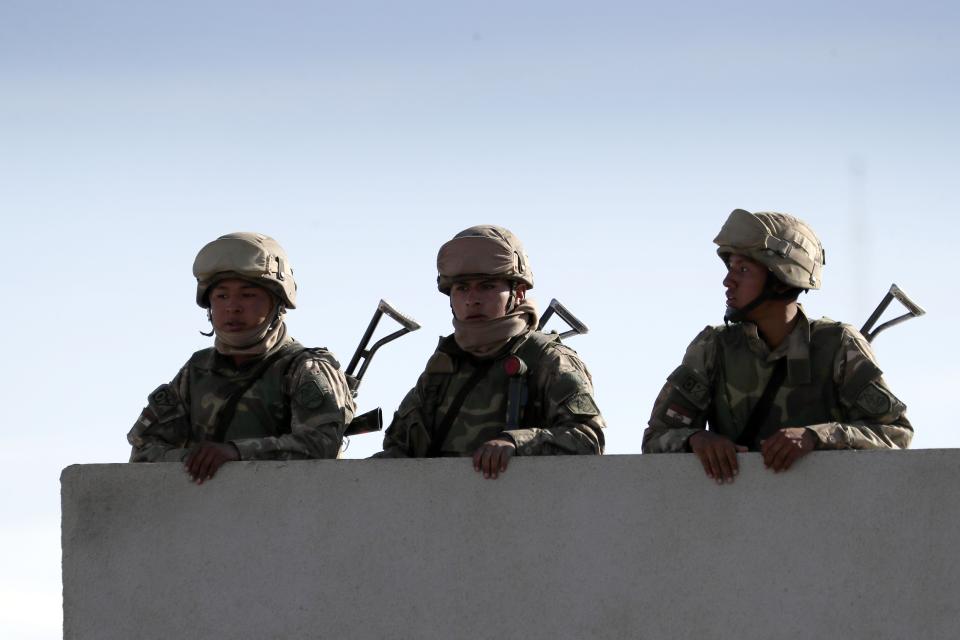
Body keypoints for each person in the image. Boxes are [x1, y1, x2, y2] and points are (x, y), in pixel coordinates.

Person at [642, 209, 912, 483]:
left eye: (743, 270)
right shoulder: (713, 347)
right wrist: (697, 440)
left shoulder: (839, 345)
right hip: (734, 511)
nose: (728, 281)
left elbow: (895, 433)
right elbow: (655, 438)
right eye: (730, 268)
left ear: (782, 281)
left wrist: (816, 437)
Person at [373, 225, 605, 477]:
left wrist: (516, 443)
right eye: (462, 288)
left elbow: (588, 439)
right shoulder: (443, 367)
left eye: (486, 286)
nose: (472, 298)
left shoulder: (548, 359)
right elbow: (399, 451)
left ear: (517, 293)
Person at [127, 232, 355, 483]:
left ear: (277, 302)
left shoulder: (304, 368)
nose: (232, 307)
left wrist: (236, 453)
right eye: (221, 296)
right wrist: (195, 460)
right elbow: (143, 449)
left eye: (247, 295)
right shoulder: (197, 370)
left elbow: (320, 446)